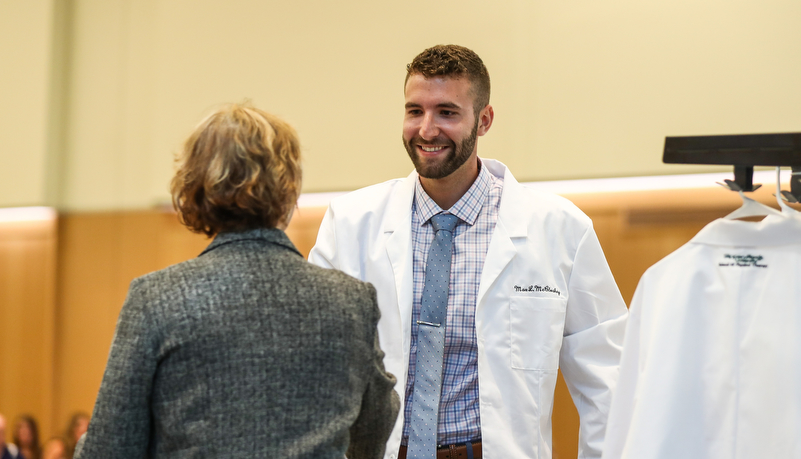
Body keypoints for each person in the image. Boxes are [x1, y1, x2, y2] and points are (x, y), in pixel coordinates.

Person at [309, 45, 629, 459]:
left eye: (446, 112)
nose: (426, 130)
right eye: (414, 111)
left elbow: (609, 380)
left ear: (484, 120)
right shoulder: (350, 223)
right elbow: (315, 368)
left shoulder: (560, 228)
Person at [75, 103, 399, 458]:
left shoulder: (155, 299)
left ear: (193, 186)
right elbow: (376, 426)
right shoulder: (350, 302)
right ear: (289, 187)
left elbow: (109, 446)